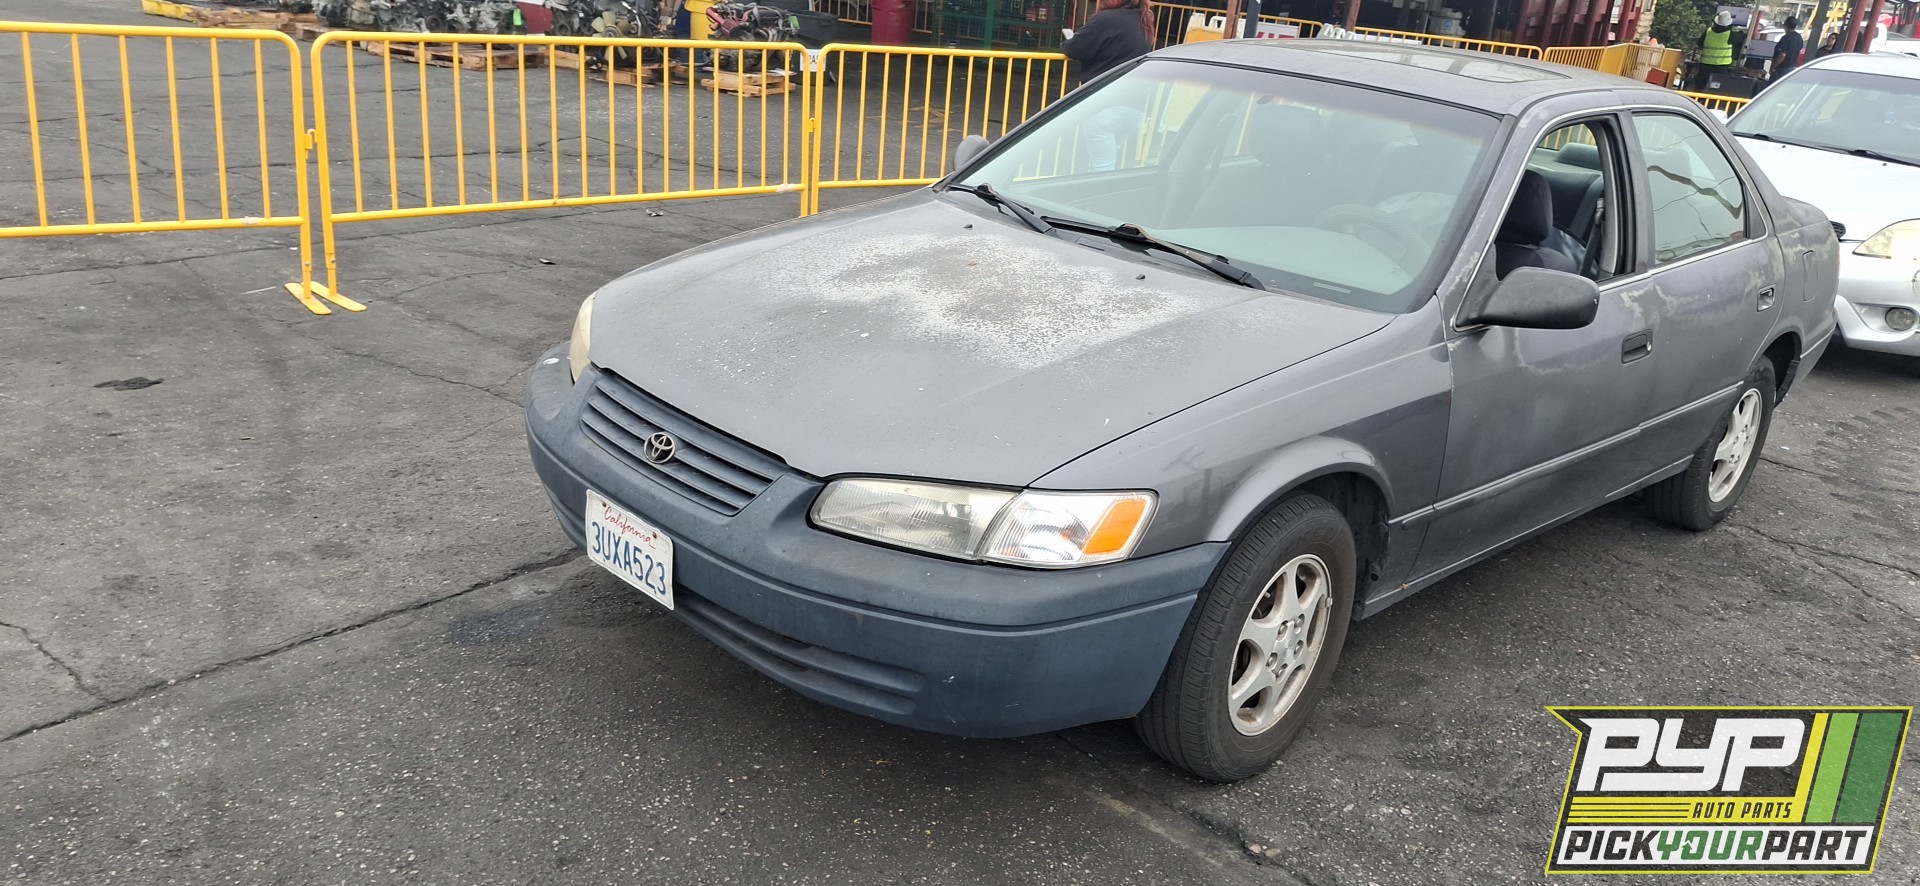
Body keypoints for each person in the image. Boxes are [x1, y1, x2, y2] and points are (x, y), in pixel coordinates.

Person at [1063, 0, 1155, 171]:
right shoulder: (1143, 20)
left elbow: (1073, 48)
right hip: (1136, 109)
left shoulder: (1106, 19)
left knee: (1102, 168)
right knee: (1110, 162)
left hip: (1104, 106)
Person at [1693, 10, 1746, 90]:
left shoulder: (1708, 32)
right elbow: (1741, 38)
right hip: (1721, 66)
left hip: (1705, 63)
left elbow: (1700, 44)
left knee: (1700, 85)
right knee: (1716, 87)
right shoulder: (1730, 34)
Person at [1770, 15, 1804, 83]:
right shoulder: (1799, 37)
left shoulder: (1786, 38)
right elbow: (1799, 51)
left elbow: (1782, 55)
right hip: (1792, 68)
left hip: (1781, 69)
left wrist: (1773, 66)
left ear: (1785, 25)